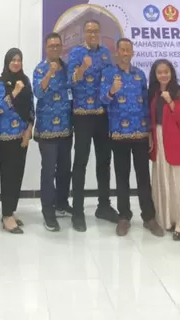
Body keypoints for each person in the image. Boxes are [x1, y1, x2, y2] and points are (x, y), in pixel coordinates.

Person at [100, 39, 162, 238]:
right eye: (122, 50)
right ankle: (124, 216)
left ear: (133, 53)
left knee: (143, 177)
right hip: (119, 134)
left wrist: (149, 130)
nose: (126, 53)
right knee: (122, 177)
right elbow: (103, 100)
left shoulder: (139, 74)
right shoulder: (109, 73)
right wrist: (112, 90)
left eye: (129, 50)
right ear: (117, 52)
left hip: (140, 133)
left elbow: (146, 105)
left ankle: (149, 217)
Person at [67, 20, 117, 232]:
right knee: (80, 162)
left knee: (104, 161)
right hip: (82, 115)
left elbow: (110, 79)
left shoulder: (106, 53)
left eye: (96, 30)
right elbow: (71, 81)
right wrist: (83, 67)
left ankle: (103, 206)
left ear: (99, 32)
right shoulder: (76, 53)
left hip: (102, 114)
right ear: (84, 33)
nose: (93, 34)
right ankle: (77, 211)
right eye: (89, 31)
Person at [148, 59, 180, 241]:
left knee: (179, 183)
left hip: (177, 140)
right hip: (159, 140)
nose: (163, 75)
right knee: (164, 180)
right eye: (159, 72)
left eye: (166, 72)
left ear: (172, 73)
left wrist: (170, 102)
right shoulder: (154, 94)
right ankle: (168, 219)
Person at [33, 33, 73, 232]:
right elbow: (38, 93)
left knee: (65, 169)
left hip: (66, 127)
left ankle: (62, 203)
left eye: (58, 45)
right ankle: (48, 211)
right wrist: (49, 73)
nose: (55, 48)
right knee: (48, 171)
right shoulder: (40, 69)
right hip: (47, 129)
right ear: (46, 48)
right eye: (51, 46)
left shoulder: (67, 68)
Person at [0, 48, 34, 234]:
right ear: (7, 62)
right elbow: (0, 108)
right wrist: (15, 92)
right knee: (8, 174)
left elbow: (31, 106)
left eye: (19, 59)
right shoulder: (1, 82)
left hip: (22, 135)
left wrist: (29, 130)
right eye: (13, 60)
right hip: (6, 135)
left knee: (18, 173)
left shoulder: (25, 80)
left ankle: (11, 210)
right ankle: (6, 215)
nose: (16, 63)